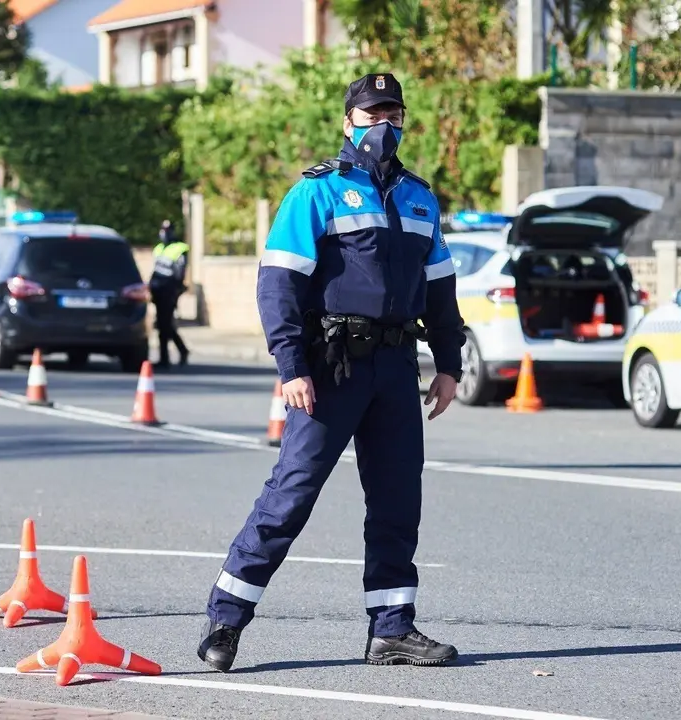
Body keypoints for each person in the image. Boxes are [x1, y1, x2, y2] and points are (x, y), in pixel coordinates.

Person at [198, 72, 466, 672]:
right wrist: (291, 366)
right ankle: (225, 620)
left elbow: (441, 290)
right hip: (331, 367)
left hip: (396, 368)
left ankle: (392, 629)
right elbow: (278, 285)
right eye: (371, 114)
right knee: (291, 495)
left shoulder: (420, 197)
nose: (383, 125)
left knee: (398, 501)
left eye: (392, 113)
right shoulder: (316, 193)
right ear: (348, 122)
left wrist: (448, 364)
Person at [148, 219, 190, 368]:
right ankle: (181, 350)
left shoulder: (179, 249)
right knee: (163, 325)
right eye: (163, 230)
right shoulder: (158, 249)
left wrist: (176, 292)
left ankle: (165, 358)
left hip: (169, 292)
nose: (164, 234)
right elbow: (155, 271)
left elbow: (180, 274)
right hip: (158, 291)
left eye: (167, 230)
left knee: (164, 325)